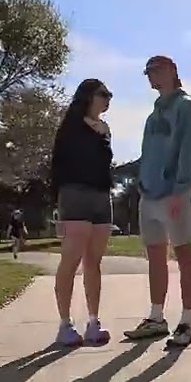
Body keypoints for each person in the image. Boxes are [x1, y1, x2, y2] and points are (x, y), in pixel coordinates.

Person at [124, 55, 191, 348]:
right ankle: (156, 319)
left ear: (172, 71)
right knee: (155, 257)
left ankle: (186, 322)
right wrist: (139, 181)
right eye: (148, 73)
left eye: (156, 70)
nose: (152, 77)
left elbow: (187, 148)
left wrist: (181, 189)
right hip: (150, 194)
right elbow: (147, 154)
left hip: (175, 193)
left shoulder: (185, 106)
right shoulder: (152, 116)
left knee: (183, 254)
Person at [48, 78, 116, 347]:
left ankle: (93, 322)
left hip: (101, 196)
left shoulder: (105, 129)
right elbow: (58, 165)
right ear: (88, 96)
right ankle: (65, 324)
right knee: (71, 259)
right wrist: (57, 203)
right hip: (74, 195)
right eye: (103, 94)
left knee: (94, 262)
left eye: (110, 95)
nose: (108, 98)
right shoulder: (71, 127)